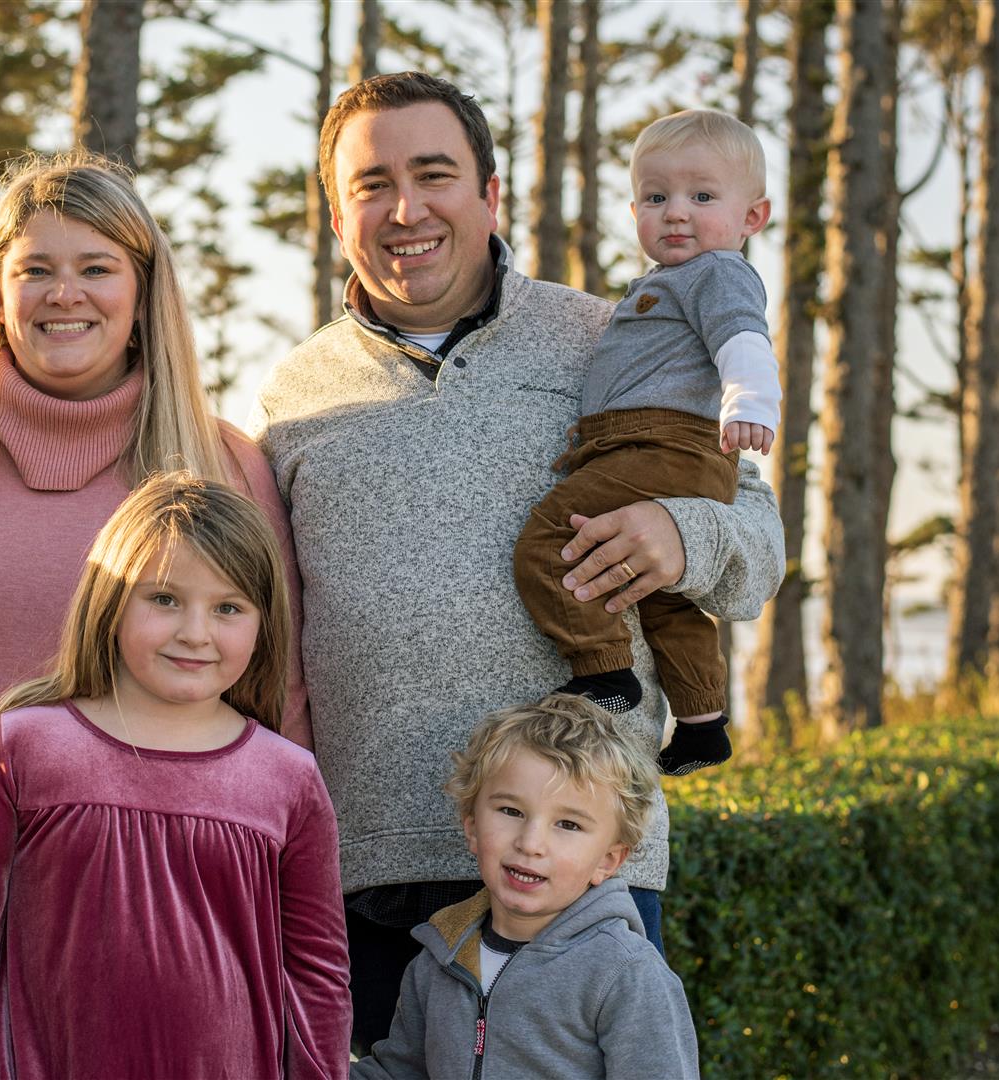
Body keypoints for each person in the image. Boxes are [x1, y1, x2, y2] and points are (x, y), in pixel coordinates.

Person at [248, 72, 784, 1050]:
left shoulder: (610, 337)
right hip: (367, 870)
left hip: (577, 866)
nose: (406, 209)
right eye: (372, 184)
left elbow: (759, 548)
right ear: (337, 213)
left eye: (434, 173)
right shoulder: (293, 392)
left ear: (491, 195)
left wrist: (681, 533)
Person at [0, 153, 307, 808]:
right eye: (35, 272)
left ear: (142, 295)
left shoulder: (220, 466)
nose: (64, 293)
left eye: (97, 269)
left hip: (143, 880)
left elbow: (283, 700)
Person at [0, 473, 351, 1080]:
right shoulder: (23, 749)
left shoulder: (287, 779)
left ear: (263, 624)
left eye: (228, 607)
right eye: (164, 599)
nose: (195, 632)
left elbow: (317, 971)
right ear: (111, 601)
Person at [514, 109, 780, 776]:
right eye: (656, 197)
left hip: (663, 447)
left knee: (552, 541)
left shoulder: (717, 273)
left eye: (702, 195)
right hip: (649, 451)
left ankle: (604, 672)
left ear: (753, 217)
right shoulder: (661, 284)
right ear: (633, 208)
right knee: (660, 595)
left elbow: (743, 337)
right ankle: (702, 722)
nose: (676, 213)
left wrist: (748, 404)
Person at [351, 694, 699, 1080]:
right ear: (471, 827)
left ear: (608, 860)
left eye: (568, 824)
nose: (530, 843)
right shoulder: (438, 959)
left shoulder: (626, 973)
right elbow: (398, 1073)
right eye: (511, 812)